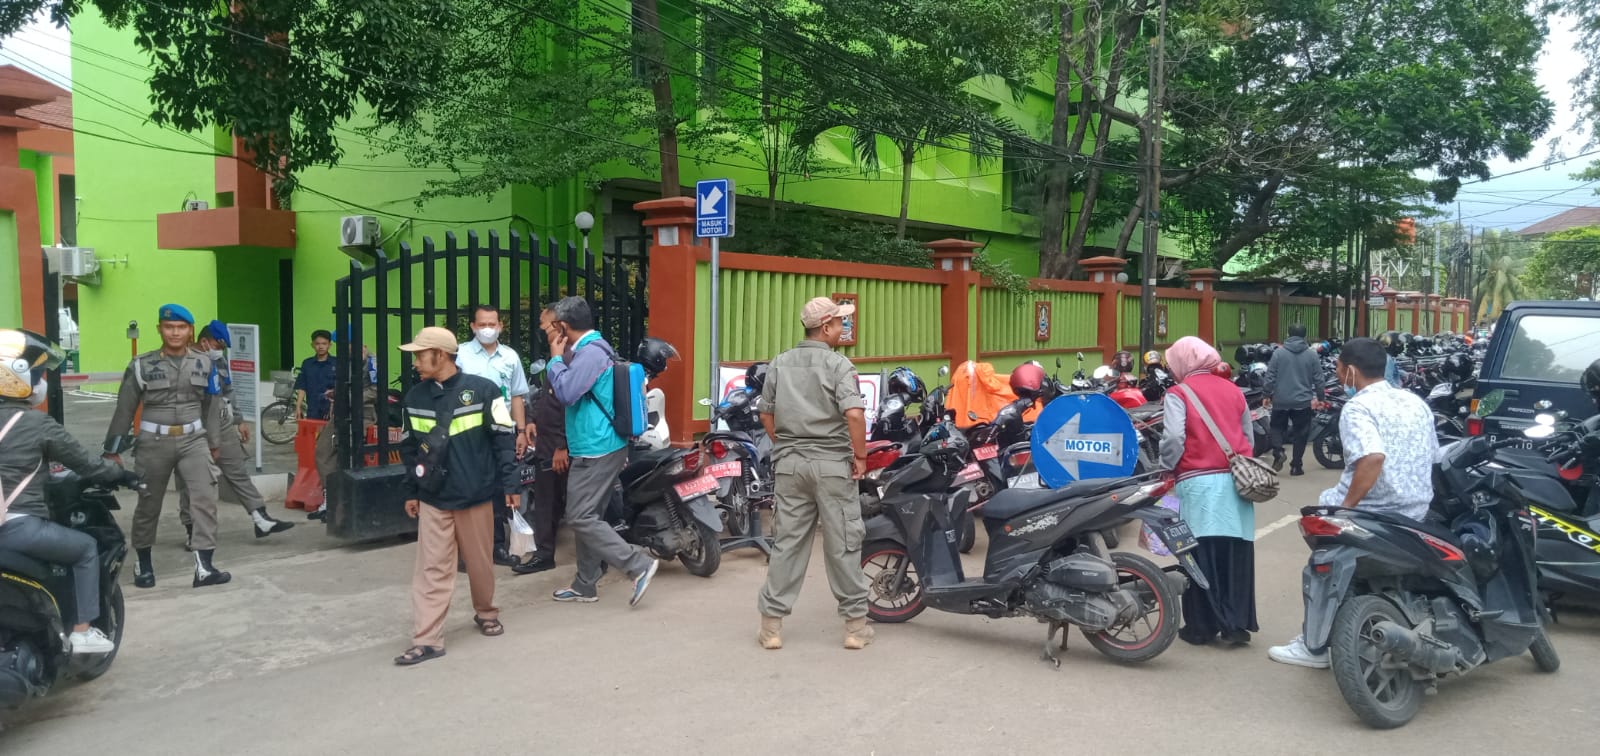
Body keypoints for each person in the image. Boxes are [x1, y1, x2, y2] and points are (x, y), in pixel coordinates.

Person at [1268, 337, 1438, 668]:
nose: (1337, 372)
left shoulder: (1358, 407)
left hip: (1376, 511)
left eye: (1338, 368)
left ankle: (1314, 646)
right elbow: (1433, 456)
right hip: (1416, 510)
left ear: (1351, 371)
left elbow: (1372, 458)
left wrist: (1347, 508)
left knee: (1321, 560)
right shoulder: (1415, 402)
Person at [0, 330, 140, 654]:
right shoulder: (36, 424)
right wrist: (122, 474)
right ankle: (82, 632)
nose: (41, 382)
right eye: (37, 374)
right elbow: (89, 465)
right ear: (17, 377)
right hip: (18, 529)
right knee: (85, 548)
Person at [393, 327, 519, 666]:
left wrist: (511, 486)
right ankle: (428, 639)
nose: (416, 361)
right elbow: (408, 450)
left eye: (421, 354)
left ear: (443, 355)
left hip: (475, 495)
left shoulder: (484, 391)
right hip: (433, 497)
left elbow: (504, 440)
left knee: (480, 565)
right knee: (431, 569)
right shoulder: (414, 398)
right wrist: (411, 491)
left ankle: (486, 612)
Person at [756, 297, 874, 651]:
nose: (842, 328)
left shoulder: (780, 364)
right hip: (832, 466)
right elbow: (853, 414)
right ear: (825, 328)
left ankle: (771, 628)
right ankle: (855, 627)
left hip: (790, 466)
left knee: (788, 544)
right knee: (844, 544)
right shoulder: (838, 365)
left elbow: (766, 415)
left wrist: (787, 444)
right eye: (839, 323)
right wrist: (861, 456)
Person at [541, 296, 659, 607]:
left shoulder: (590, 354)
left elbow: (566, 392)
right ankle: (585, 584)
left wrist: (554, 359)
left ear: (563, 327)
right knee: (589, 516)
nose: (549, 333)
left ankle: (638, 565)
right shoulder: (591, 350)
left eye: (552, 327)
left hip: (597, 448)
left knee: (579, 517)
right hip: (597, 444)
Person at [104, 304, 230, 588]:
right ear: (160, 329)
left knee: (205, 501)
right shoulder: (141, 365)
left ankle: (204, 568)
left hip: (194, 440)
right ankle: (144, 564)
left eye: (181, 328)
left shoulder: (205, 362)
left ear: (190, 331)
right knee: (149, 504)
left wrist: (214, 442)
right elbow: (124, 409)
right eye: (169, 327)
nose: (175, 332)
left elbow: (212, 405)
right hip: (153, 442)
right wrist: (112, 450)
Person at [1158, 336, 1259, 647]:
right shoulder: (1234, 390)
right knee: (1235, 552)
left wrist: (1166, 465)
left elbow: (1174, 438)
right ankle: (1236, 625)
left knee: (1198, 554)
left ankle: (1201, 627)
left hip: (1198, 483)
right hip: (1236, 481)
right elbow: (1248, 438)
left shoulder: (1178, 393)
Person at [177, 320, 294, 543]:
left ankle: (260, 518)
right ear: (204, 342)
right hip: (192, 427)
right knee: (190, 481)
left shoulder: (218, 360)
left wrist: (239, 420)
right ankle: (192, 530)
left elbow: (228, 389)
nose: (220, 350)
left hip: (221, 424)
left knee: (237, 471)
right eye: (218, 345)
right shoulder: (183, 361)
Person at [455, 305, 532, 566]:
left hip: (502, 433)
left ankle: (497, 545)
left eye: (492, 323)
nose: (487, 329)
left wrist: (520, 431)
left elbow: (518, 396)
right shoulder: (461, 356)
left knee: (500, 488)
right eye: (482, 324)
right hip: (468, 434)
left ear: (501, 325)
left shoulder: (510, 357)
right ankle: (466, 551)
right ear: (473, 327)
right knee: (469, 488)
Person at [512, 321, 567, 576]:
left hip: (564, 448)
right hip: (547, 445)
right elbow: (547, 398)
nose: (544, 331)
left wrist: (562, 445)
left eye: (546, 326)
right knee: (546, 503)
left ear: (562, 326)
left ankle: (597, 559)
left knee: (579, 506)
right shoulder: (555, 358)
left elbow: (572, 407)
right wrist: (532, 420)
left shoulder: (577, 359)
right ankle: (544, 554)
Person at [308, 332, 378, 522]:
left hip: (363, 414)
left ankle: (348, 505)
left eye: (344, 344)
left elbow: (376, 390)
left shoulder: (371, 362)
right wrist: (336, 393)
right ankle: (329, 500)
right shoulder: (346, 362)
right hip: (342, 413)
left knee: (350, 456)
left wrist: (348, 398)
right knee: (323, 451)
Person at [1263, 323, 1324, 476]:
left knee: (1276, 428)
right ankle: (1296, 465)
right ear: (1305, 336)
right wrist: (1320, 397)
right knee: (1301, 433)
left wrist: (1266, 395)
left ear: (1288, 334)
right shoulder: (1312, 354)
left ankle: (1278, 451)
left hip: (1281, 400)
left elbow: (1270, 376)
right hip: (1302, 402)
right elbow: (1319, 379)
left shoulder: (1279, 353)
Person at [294, 329, 337, 421]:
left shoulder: (336, 363)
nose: (320, 346)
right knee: (313, 434)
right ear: (312, 345)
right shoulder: (307, 363)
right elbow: (302, 386)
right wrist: (298, 406)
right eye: (317, 343)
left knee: (329, 435)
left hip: (332, 410)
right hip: (313, 410)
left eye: (324, 343)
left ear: (330, 345)